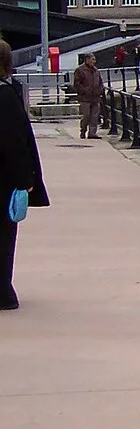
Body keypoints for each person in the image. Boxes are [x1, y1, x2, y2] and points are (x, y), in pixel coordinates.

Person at [0, 40, 50, 310]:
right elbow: (14, 142)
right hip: (4, 180)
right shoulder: (5, 97)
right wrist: (25, 179)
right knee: (4, 236)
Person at [72, 53, 105, 139]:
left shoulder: (96, 70)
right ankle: (83, 130)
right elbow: (76, 83)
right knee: (86, 115)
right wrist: (84, 91)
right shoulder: (80, 70)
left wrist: (100, 90)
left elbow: (100, 81)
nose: (94, 61)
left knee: (94, 116)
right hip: (85, 97)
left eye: (94, 59)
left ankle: (92, 133)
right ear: (87, 60)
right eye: (92, 59)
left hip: (95, 96)